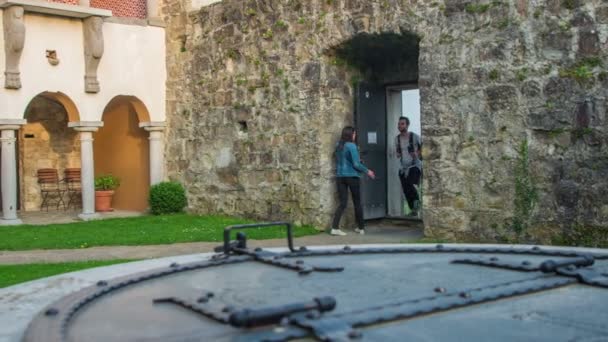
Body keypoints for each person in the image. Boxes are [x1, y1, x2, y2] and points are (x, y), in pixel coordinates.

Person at [330, 126, 375, 236]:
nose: (355, 136)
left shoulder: (338, 145)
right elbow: (356, 164)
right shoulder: (351, 146)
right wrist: (367, 171)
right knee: (357, 203)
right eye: (354, 134)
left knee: (343, 203)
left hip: (340, 176)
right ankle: (361, 228)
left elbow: (340, 159)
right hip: (352, 176)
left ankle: (334, 228)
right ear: (351, 134)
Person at [396, 116, 422, 217]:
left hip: (415, 166)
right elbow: (398, 152)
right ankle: (413, 210)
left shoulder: (414, 136)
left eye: (402, 124)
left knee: (411, 185)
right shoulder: (397, 139)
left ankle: (417, 206)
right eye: (399, 124)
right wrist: (398, 154)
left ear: (407, 125)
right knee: (406, 189)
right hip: (403, 168)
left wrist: (416, 154)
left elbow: (422, 149)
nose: (399, 126)